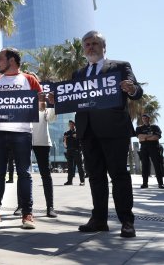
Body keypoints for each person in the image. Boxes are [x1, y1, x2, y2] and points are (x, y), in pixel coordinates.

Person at [70, 30, 142, 238]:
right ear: (84, 49)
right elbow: (72, 99)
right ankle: (99, 219)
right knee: (95, 177)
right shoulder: (78, 74)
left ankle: (127, 221)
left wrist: (131, 89)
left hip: (114, 130)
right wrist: (56, 101)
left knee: (119, 175)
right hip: (87, 131)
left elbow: (137, 92)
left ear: (104, 47)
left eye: (94, 43)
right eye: (87, 44)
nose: (90, 47)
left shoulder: (120, 67)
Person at [0, 48, 42, 230]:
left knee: (24, 173)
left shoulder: (29, 79)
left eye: (0, 59)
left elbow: (41, 107)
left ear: (11, 60)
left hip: (22, 132)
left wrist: (43, 100)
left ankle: (27, 213)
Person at [16, 90, 57, 218]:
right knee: (22, 173)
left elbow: (51, 119)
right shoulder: (23, 101)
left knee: (46, 174)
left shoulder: (43, 103)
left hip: (42, 142)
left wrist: (52, 104)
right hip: (24, 140)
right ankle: (21, 205)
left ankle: (50, 206)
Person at [136, 113, 163, 189]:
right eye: (143, 118)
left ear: (149, 118)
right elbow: (139, 137)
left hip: (154, 147)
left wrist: (145, 138)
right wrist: (150, 136)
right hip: (144, 148)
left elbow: (156, 137)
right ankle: (145, 184)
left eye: (146, 118)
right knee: (144, 165)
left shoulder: (155, 127)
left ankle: (160, 183)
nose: (144, 119)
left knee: (157, 165)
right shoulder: (139, 128)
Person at [63, 120, 85, 186]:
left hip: (77, 151)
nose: (71, 125)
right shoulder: (66, 133)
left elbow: (82, 141)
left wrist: (79, 150)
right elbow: (64, 143)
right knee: (70, 167)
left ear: (74, 125)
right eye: (69, 124)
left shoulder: (78, 132)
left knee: (80, 167)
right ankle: (69, 181)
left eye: (72, 124)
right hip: (69, 151)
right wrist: (65, 139)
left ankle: (82, 181)